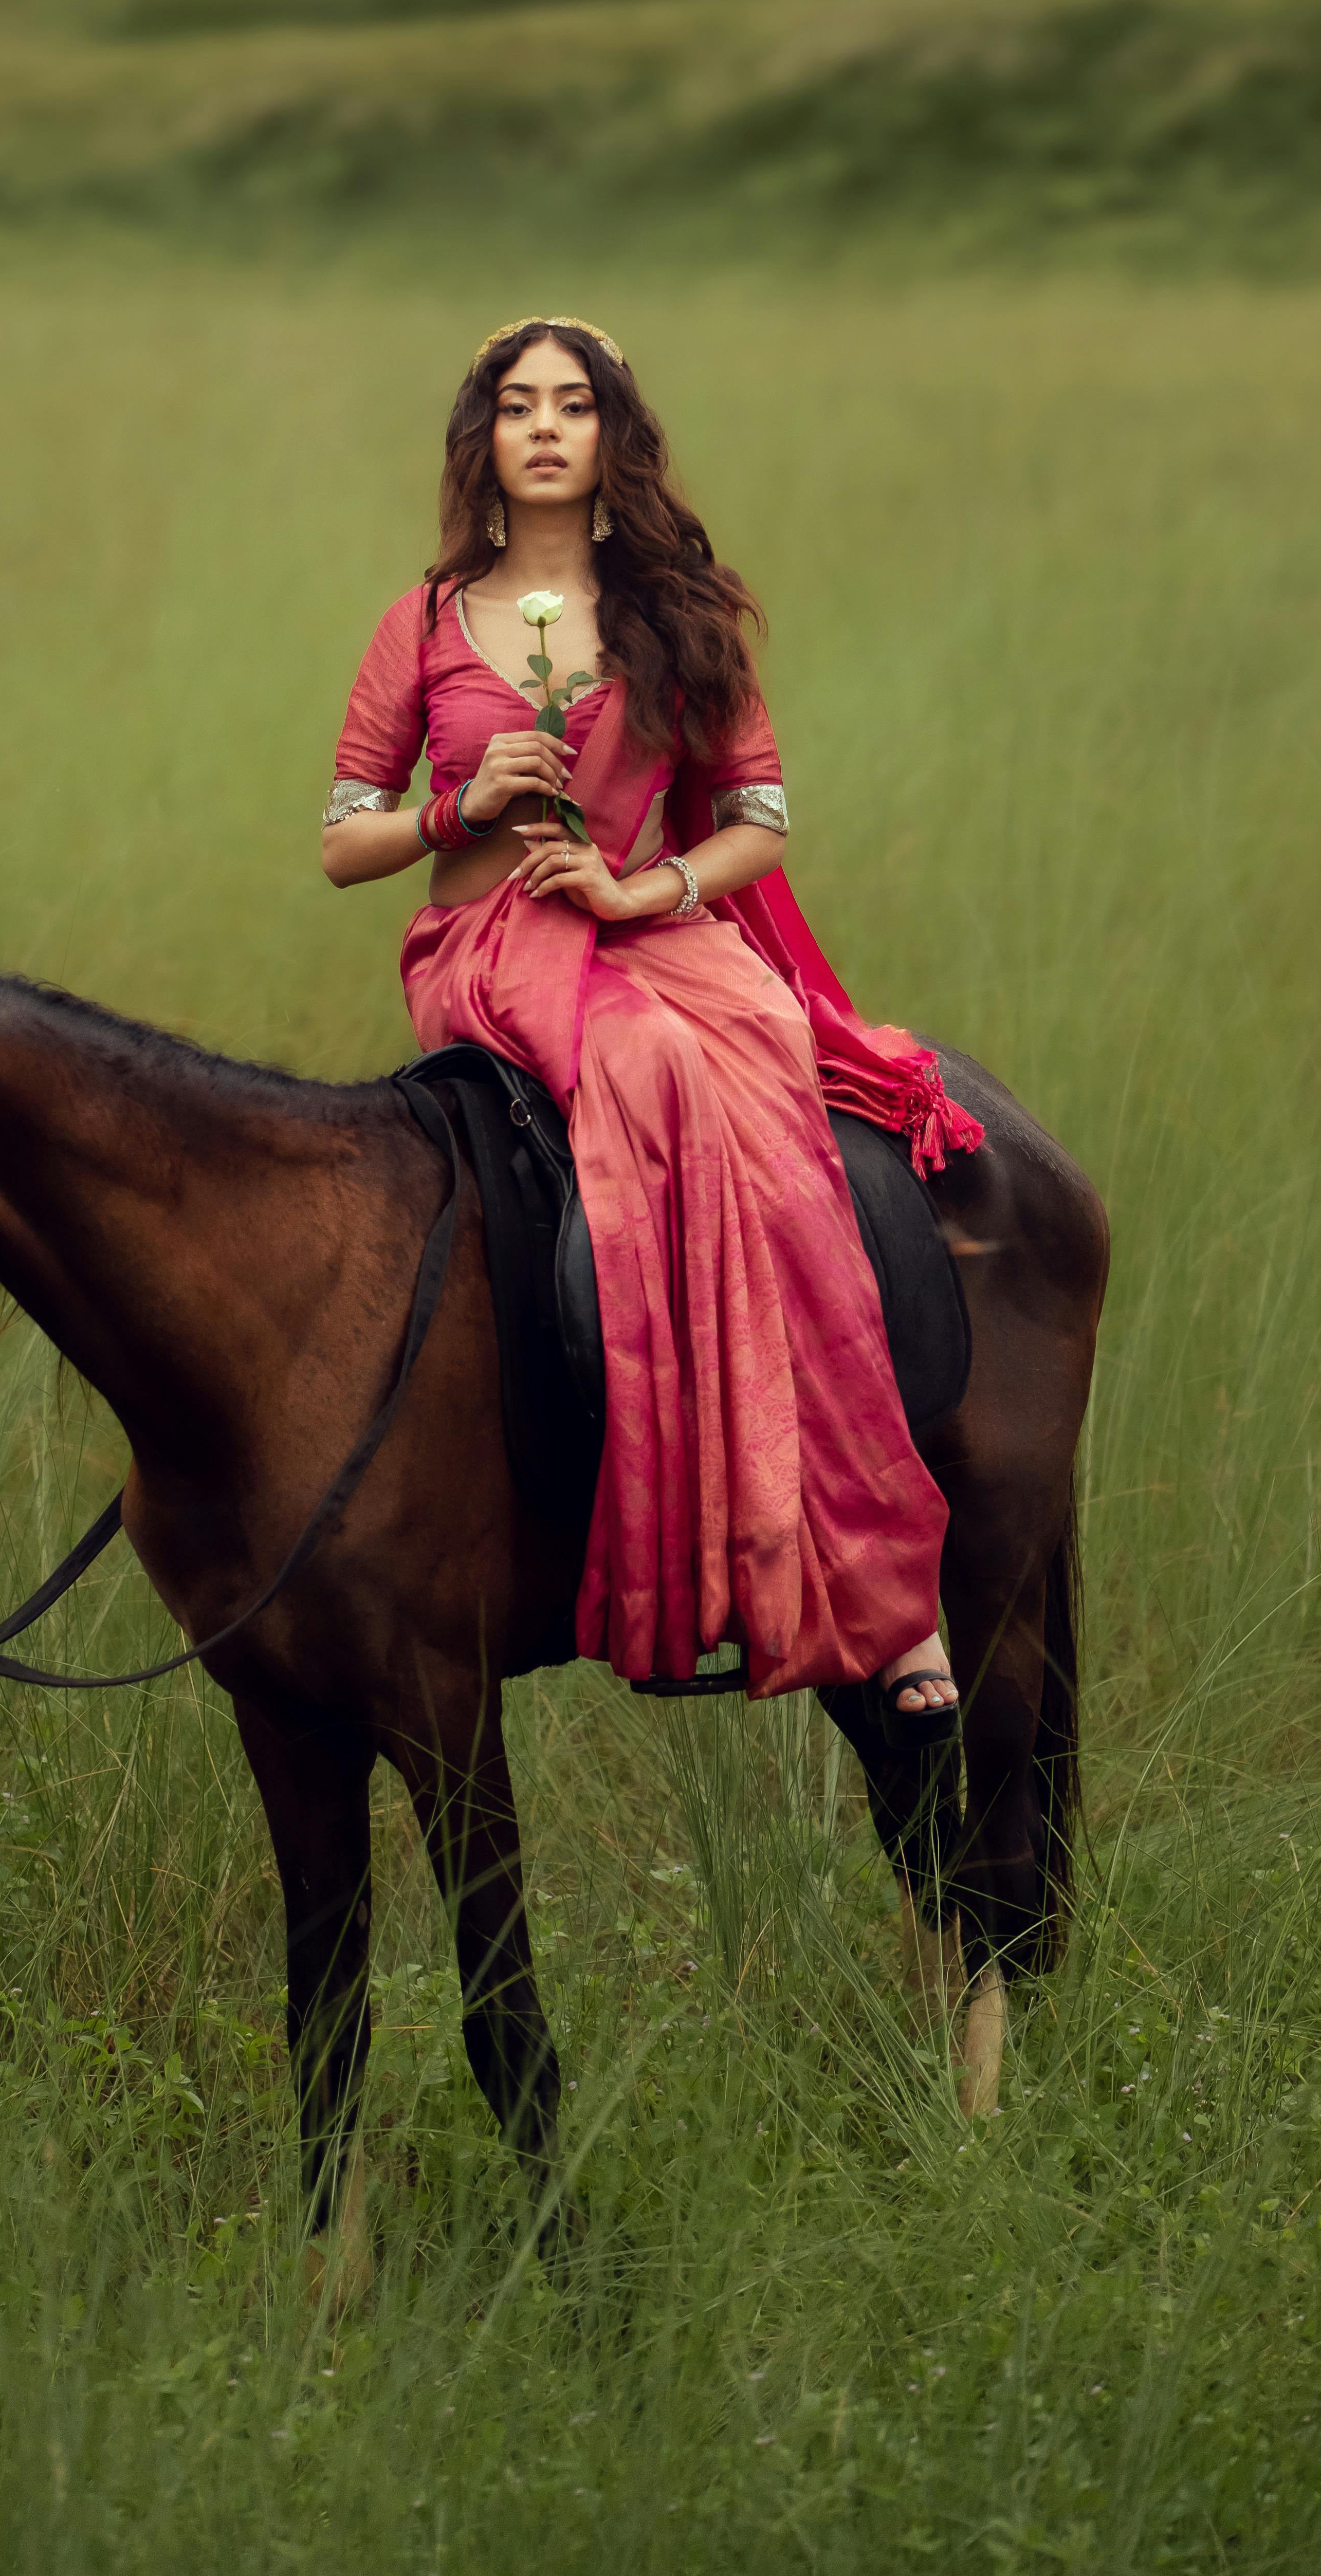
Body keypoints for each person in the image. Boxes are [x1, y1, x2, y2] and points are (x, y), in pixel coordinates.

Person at [321, 312, 981, 1728]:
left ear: (614, 437)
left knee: (763, 1066)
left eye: (575, 405)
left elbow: (760, 819)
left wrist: (638, 890)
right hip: (490, 944)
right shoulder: (425, 622)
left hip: (644, 929)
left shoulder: (676, 615)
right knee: (661, 1064)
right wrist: (465, 806)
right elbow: (341, 841)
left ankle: (876, 1580)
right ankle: (695, 1530)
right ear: (484, 440)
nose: (547, 427)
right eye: (519, 406)